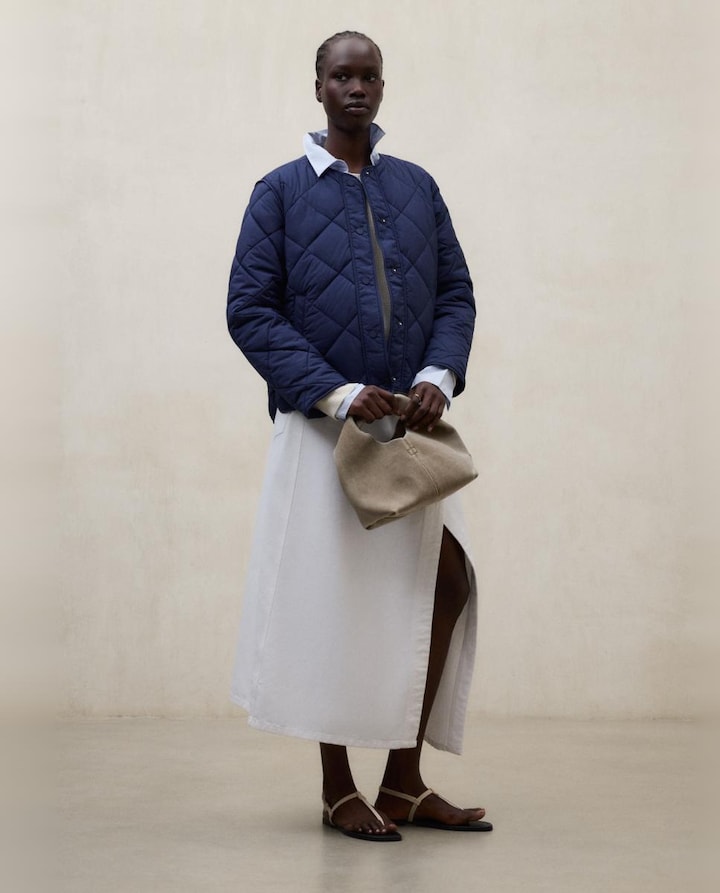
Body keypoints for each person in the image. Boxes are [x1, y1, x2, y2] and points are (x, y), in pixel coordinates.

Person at [227, 31, 491, 842]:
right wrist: (338, 393)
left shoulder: (417, 187)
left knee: (444, 582)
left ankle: (404, 782)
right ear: (318, 86)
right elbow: (250, 311)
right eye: (342, 74)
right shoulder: (278, 193)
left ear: (382, 87)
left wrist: (437, 375)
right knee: (331, 600)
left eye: (369, 75)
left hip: (408, 430)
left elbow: (456, 293)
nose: (356, 87)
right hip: (323, 428)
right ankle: (338, 786)